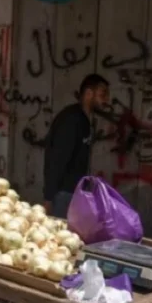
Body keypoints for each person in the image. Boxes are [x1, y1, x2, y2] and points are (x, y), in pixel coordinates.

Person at [42, 73, 109, 218]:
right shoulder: (71, 120)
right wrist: (48, 198)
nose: (106, 100)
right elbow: (56, 160)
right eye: (103, 94)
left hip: (74, 194)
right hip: (62, 195)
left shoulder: (83, 120)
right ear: (89, 93)